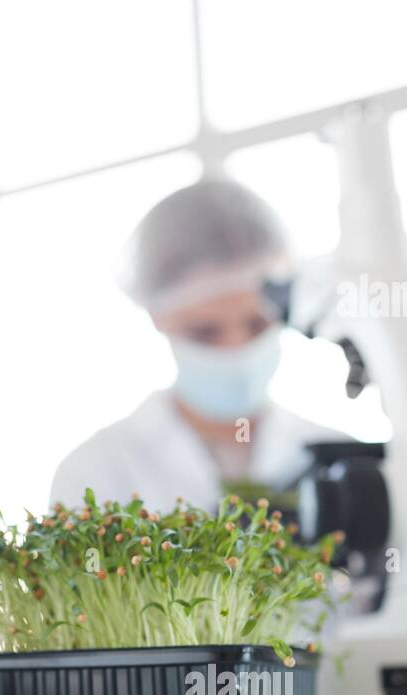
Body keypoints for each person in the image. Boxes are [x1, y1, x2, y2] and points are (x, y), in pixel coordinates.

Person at [50, 178, 346, 512]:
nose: (237, 349)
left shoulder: (345, 463)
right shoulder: (95, 474)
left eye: (257, 323)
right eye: (205, 332)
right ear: (157, 318)